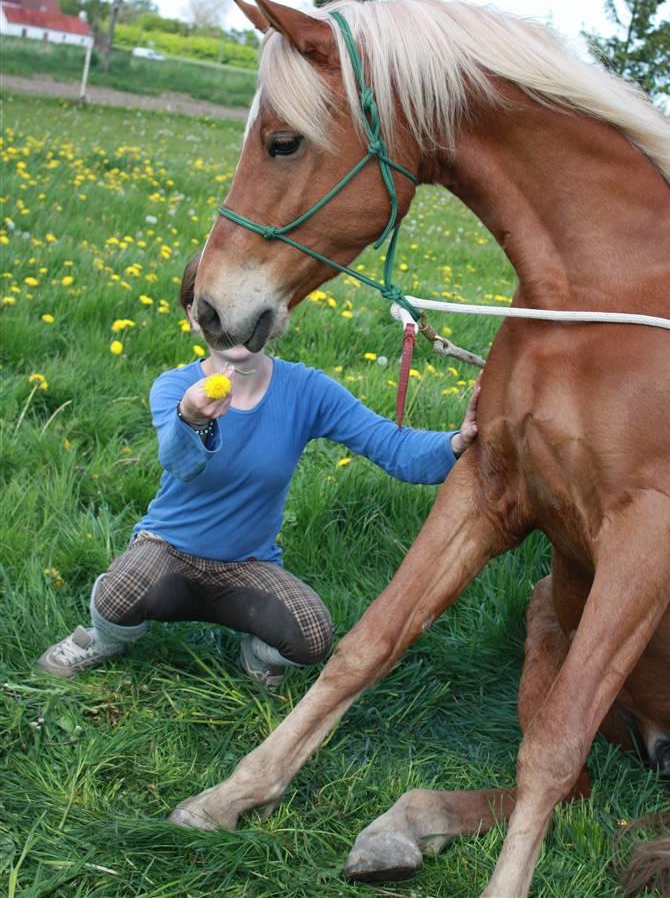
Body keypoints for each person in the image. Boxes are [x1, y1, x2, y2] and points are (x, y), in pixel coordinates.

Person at [39, 253, 480, 688]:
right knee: (117, 596)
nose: (236, 323)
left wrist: (456, 443)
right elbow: (181, 464)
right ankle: (107, 639)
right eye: (217, 306)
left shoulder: (305, 389)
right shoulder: (175, 387)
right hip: (168, 550)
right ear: (193, 315)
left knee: (311, 637)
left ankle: (254, 645)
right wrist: (192, 417)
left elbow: (392, 446)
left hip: (246, 565)